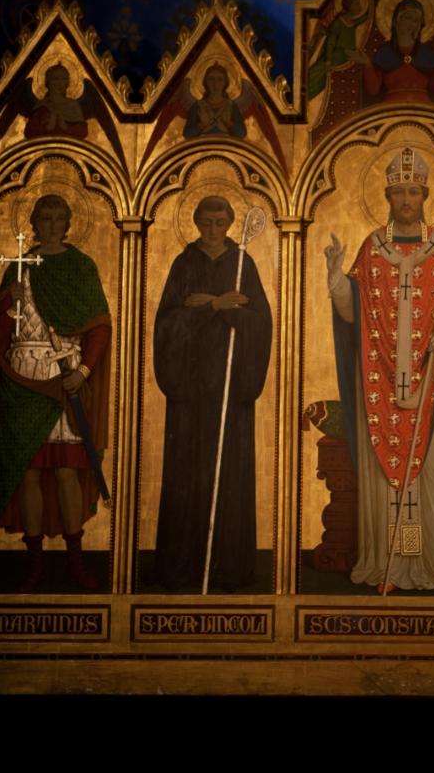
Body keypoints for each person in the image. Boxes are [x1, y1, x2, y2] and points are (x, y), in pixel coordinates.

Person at [324, 147, 434, 593]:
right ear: (387, 197)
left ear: (425, 195)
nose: (406, 200)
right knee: (389, 479)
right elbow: (352, 311)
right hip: (380, 379)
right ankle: (391, 566)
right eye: (398, 192)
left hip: (431, 379)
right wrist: (336, 278)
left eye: (414, 191)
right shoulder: (373, 248)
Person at [0, 193, 112, 592]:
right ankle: (34, 565)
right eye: (46, 217)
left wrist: (85, 371)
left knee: (65, 470)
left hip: (64, 374)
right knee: (28, 472)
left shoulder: (80, 266)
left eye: (60, 217)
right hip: (23, 376)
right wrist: (10, 308)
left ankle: (76, 563)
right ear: (35, 223)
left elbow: (99, 326)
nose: (53, 224)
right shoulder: (18, 268)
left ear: (69, 222)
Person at [152, 195, 273, 591]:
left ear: (230, 222)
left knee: (229, 474)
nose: (214, 227)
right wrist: (210, 309)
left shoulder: (243, 263)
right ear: (196, 221)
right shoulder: (185, 263)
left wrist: (219, 307)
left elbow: (259, 322)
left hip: (230, 388)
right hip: (189, 391)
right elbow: (167, 323)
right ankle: (181, 566)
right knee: (187, 475)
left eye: (221, 221)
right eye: (207, 220)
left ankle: (231, 567)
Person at [365, 0, 434, 103]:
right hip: (391, 108)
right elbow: (373, 90)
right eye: (408, 18)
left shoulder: (426, 52)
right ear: (397, 20)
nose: (412, 24)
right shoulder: (385, 52)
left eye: (416, 20)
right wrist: (367, 64)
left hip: (423, 108)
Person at [306, 0, 369, 99]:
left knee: (326, 81)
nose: (360, 7)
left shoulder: (352, 22)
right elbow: (330, 42)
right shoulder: (338, 23)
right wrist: (328, 60)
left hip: (347, 56)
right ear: (349, 6)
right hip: (336, 56)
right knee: (316, 78)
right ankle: (303, 96)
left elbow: (364, 18)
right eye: (356, 4)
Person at [183, 65, 247, 138]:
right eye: (211, 79)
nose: (215, 84)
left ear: (226, 82)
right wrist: (202, 125)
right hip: (203, 146)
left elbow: (242, 133)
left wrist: (229, 123)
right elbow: (187, 134)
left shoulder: (231, 105)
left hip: (226, 146)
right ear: (205, 82)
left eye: (220, 79)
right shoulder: (199, 106)